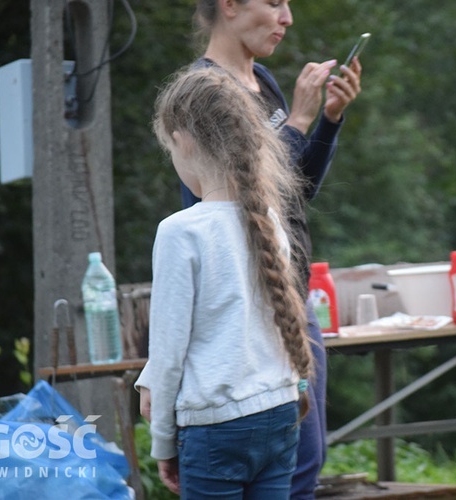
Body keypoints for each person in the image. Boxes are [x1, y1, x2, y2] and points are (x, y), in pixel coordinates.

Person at [138, 1, 363, 498]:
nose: (287, 18)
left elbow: (291, 193)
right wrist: (299, 121)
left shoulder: (264, 80)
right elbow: (227, 201)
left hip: (284, 299)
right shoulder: (201, 92)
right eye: (275, 1)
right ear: (231, 5)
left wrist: (326, 119)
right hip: (236, 315)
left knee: (305, 461)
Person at [147, 66, 314, 498]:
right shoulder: (270, 222)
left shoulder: (180, 232)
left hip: (215, 426)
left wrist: (163, 441)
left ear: (182, 140)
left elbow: (168, 352)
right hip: (279, 409)